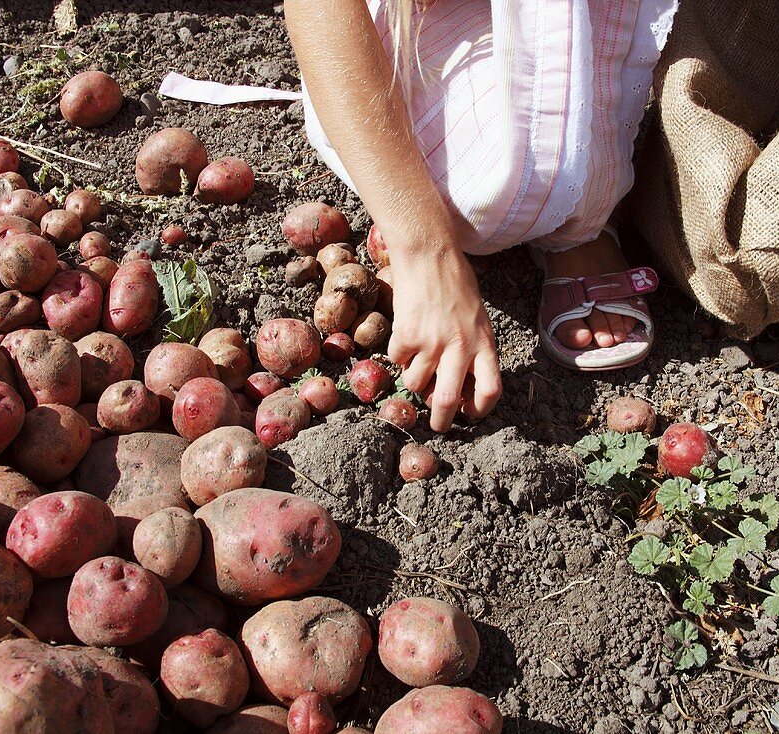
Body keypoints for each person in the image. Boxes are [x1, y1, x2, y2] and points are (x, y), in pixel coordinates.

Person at [285, 0, 678, 432]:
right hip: (427, 26)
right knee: (477, 197)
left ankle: (581, 216)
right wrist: (423, 249)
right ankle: (562, 193)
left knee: (528, 180)